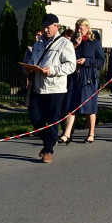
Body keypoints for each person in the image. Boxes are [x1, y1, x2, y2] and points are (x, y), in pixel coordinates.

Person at [24, 13, 76, 163]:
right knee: (34, 117)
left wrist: (52, 70)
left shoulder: (65, 43)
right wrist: (30, 68)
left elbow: (71, 65)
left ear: (57, 27)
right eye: (44, 27)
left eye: (49, 27)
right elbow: (34, 60)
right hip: (39, 87)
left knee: (53, 120)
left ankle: (48, 150)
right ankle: (50, 140)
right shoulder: (39, 43)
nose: (46, 30)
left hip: (55, 88)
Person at [59, 18, 105, 145]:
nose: (79, 30)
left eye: (82, 28)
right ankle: (67, 134)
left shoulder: (94, 43)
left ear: (87, 28)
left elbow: (101, 61)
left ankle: (91, 134)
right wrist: (74, 46)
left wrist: (87, 61)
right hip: (74, 77)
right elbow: (64, 57)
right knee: (71, 106)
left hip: (89, 78)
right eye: (78, 28)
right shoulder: (72, 42)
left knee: (89, 108)